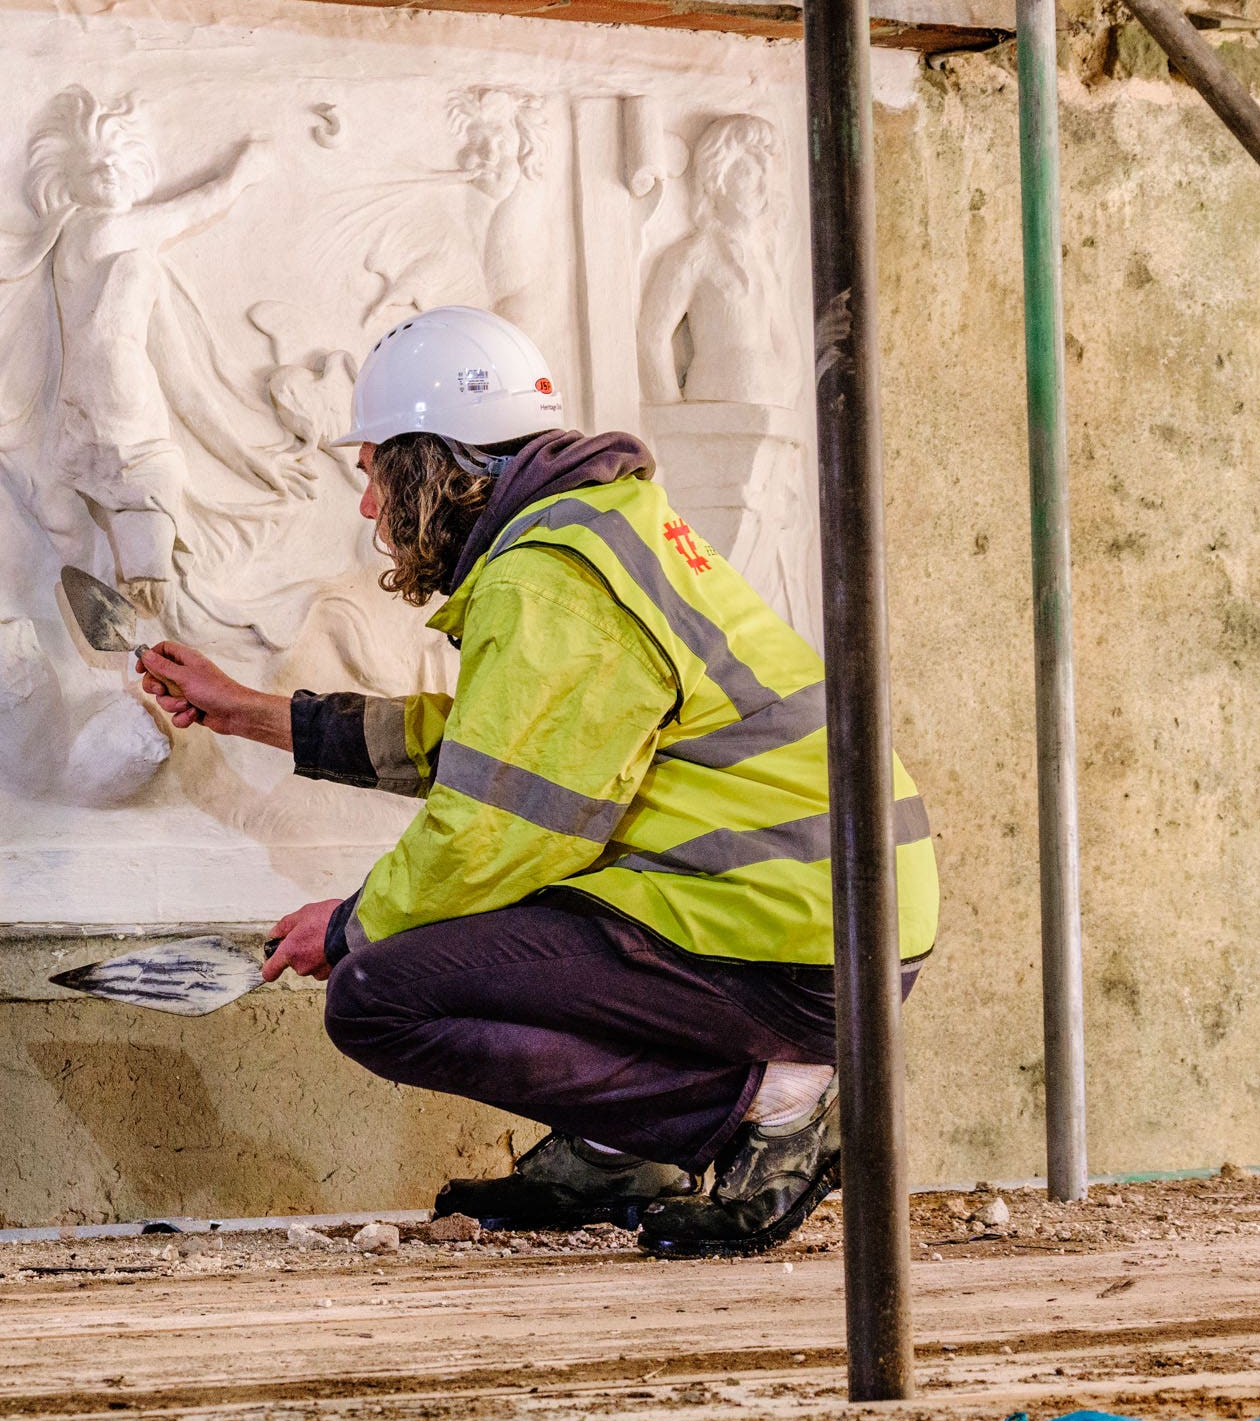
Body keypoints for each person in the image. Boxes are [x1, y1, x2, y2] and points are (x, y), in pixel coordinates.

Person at [133, 304, 939, 1258]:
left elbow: (494, 827)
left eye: (372, 473)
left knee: (378, 993)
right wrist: (252, 713)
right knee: (509, 929)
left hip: (789, 935)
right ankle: (618, 1147)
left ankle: (773, 1105)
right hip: (824, 907)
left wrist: (348, 925)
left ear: (431, 464)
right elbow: (498, 746)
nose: (367, 511)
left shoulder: (549, 576)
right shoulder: (597, 528)